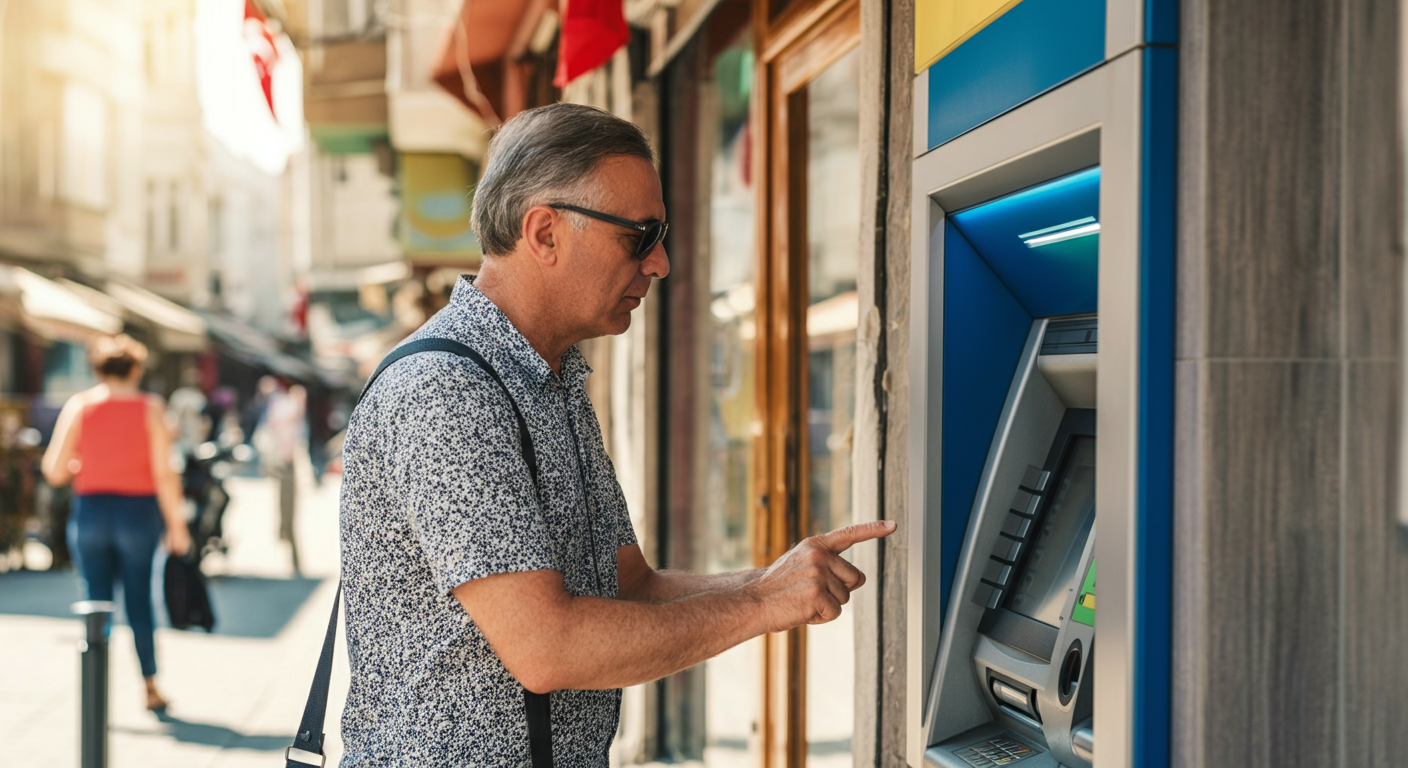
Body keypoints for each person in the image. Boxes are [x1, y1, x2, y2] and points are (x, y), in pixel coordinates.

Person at [336, 103, 896, 766]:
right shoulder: (447, 389)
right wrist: (759, 605)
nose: (659, 263)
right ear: (544, 232)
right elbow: (548, 648)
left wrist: (770, 581)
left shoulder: (550, 380)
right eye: (640, 234)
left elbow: (631, 587)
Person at [41, 334, 191, 711]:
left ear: (96, 369)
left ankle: (95, 693)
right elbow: (165, 473)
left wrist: (84, 464)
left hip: (91, 511)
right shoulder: (151, 408)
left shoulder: (80, 406)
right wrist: (178, 525)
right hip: (139, 514)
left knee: (95, 602)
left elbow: (54, 470)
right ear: (137, 369)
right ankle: (150, 685)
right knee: (140, 601)